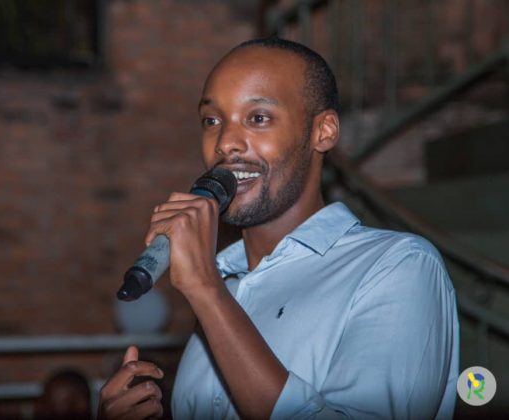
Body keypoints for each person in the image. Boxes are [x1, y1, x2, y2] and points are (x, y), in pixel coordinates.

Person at [98, 38, 459, 419]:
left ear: (323, 131)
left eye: (258, 118)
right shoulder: (227, 283)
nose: (225, 144)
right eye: (212, 120)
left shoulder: (397, 267)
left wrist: (206, 291)